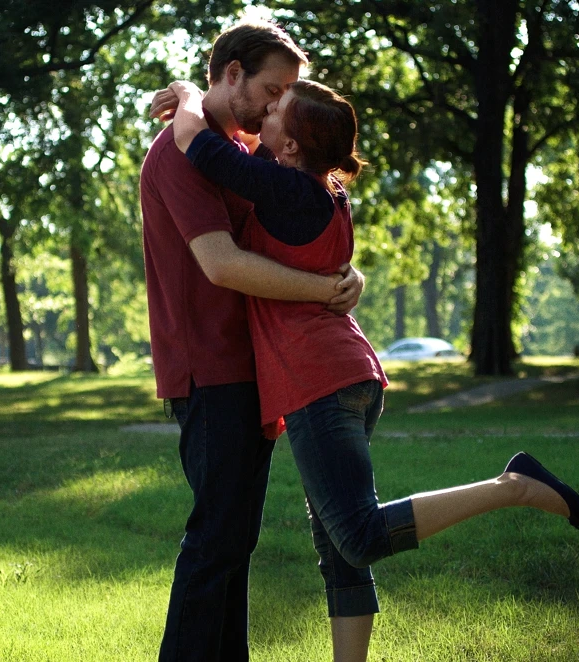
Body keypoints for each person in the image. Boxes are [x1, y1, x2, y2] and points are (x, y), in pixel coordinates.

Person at [165, 76, 579, 662]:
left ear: (290, 149)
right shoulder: (324, 189)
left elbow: (194, 140)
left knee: (359, 535)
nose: (264, 113)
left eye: (277, 112)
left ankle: (514, 487)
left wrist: (189, 92)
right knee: (340, 551)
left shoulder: (285, 190)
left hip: (320, 381)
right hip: (346, 374)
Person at [140, 19, 366, 662]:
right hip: (210, 367)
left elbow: (309, 213)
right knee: (217, 539)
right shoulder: (180, 154)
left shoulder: (242, 150)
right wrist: (324, 290)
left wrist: (346, 274)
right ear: (232, 73)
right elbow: (224, 265)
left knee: (235, 541)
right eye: (272, 90)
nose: (277, 106)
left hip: (252, 366)